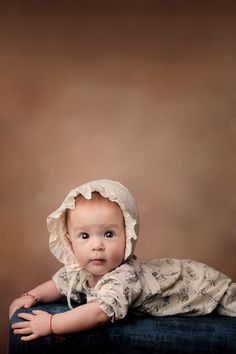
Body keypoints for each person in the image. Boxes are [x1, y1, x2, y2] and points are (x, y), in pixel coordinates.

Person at [9, 179, 236, 342]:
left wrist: (51, 324)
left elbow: (98, 314)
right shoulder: (80, 270)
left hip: (201, 284)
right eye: (84, 236)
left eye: (108, 234)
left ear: (127, 237)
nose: (97, 245)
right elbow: (59, 284)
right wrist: (32, 296)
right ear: (70, 242)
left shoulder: (124, 276)